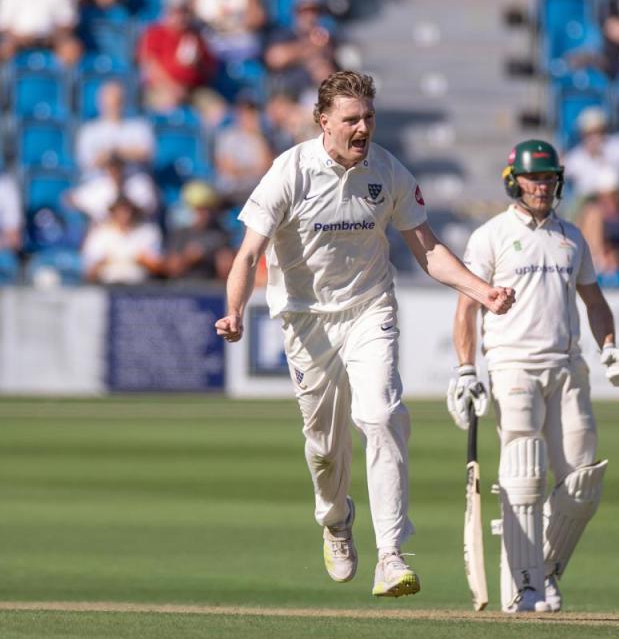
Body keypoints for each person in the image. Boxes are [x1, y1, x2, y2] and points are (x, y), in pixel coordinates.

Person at [214, 70, 515, 599]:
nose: (362, 128)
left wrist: (481, 290)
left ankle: (391, 554)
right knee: (326, 450)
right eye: (351, 119)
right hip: (307, 322)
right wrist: (236, 310)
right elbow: (248, 254)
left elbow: (427, 249)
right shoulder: (291, 171)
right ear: (323, 122)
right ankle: (335, 520)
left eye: (368, 118)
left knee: (381, 415)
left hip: (369, 309)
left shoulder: (388, 171)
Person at [447, 139, 619, 613]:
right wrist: (467, 369)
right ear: (514, 181)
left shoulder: (572, 237)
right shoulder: (490, 236)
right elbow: (466, 308)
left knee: (583, 482)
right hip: (514, 364)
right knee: (525, 471)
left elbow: (594, 301)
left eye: (550, 177)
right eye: (534, 178)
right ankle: (524, 585)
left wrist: (609, 347)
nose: (542, 186)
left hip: (568, 366)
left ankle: (543, 569)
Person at [137, 0, 216, 112]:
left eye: (184, 12)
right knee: (170, 106)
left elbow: (210, 71)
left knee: (216, 109)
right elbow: (151, 67)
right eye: (176, 12)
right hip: (162, 88)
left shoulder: (196, 36)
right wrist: (173, 87)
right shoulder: (155, 33)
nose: (180, 17)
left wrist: (199, 63)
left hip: (193, 89)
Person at [75, 81, 155, 179]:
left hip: (133, 179)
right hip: (99, 180)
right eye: (108, 102)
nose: (113, 105)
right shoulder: (89, 130)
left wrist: (117, 153)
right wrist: (109, 157)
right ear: (100, 103)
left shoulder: (138, 126)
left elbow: (146, 153)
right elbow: (87, 162)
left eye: (117, 101)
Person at [563, 107, 619, 208]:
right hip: (588, 203)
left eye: (597, 131)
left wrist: (605, 158)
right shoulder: (577, 155)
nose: (594, 137)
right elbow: (563, 172)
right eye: (589, 133)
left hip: (618, 201)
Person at [81, 195, 163, 284]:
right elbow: (89, 271)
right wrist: (104, 262)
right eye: (120, 210)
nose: (124, 214)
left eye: (127, 210)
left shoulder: (148, 232)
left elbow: (158, 267)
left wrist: (141, 260)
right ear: (113, 212)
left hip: (140, 287)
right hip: (106, 286)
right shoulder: (99, 234)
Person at [165, 180, 235, 281]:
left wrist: (225, 264)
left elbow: (226, 270)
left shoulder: (220, 234)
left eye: (207, 209)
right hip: (182, 289)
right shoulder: (179, 234)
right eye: (199, 209)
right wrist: (189, 257)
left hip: (210, 290)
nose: (205, 214)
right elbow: (171, 268)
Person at [0, 0, 82, 66]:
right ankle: (4, 87)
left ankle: (68, 88)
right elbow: (2, 26)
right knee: (3, 50)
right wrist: (20, 38)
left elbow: (67, 23)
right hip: (17, 40)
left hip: (52, 39)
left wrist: (50, 37)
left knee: (71, 50)